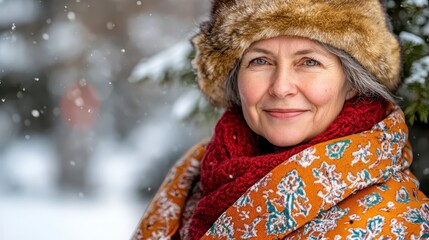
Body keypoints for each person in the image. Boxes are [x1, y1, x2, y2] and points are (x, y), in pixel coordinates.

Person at [132, 0, 429, 239]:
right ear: (235, 79)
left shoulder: (394, 221)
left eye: (309, 62)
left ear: (351, 82)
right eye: (260, 61)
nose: (281, 86)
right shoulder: (195, 175)